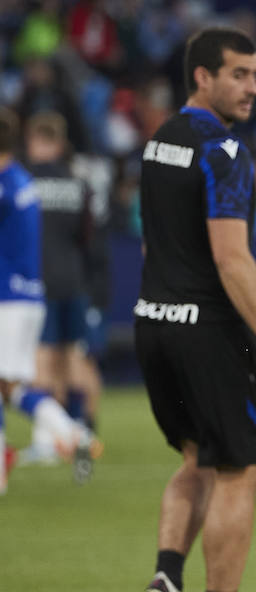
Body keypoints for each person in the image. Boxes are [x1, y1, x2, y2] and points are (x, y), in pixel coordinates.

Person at [136, 27, 256, 592]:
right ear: (202, 77)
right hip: (209, 334)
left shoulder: (159, 141)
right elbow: (232, 259)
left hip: (151, 322)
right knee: (239, 469)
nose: (253, 87)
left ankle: (167, 576)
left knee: (196, 460)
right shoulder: (225, 151)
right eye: (239, 74)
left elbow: (150, 243)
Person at [0, 106, 98, 495]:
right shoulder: (22, 181)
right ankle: (72, 433)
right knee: (10, 385)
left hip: (8, 299)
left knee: (11, 381)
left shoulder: (8, 184)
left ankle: (70, 435)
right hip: (30, 297)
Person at [26, 112, 98, 467]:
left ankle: (48, 439)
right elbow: (87, 236)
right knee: (73, 358)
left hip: (39, 281)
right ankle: (82, 426)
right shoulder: (78, 183)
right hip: (74, 279)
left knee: (42, 361)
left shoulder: (24, 182)